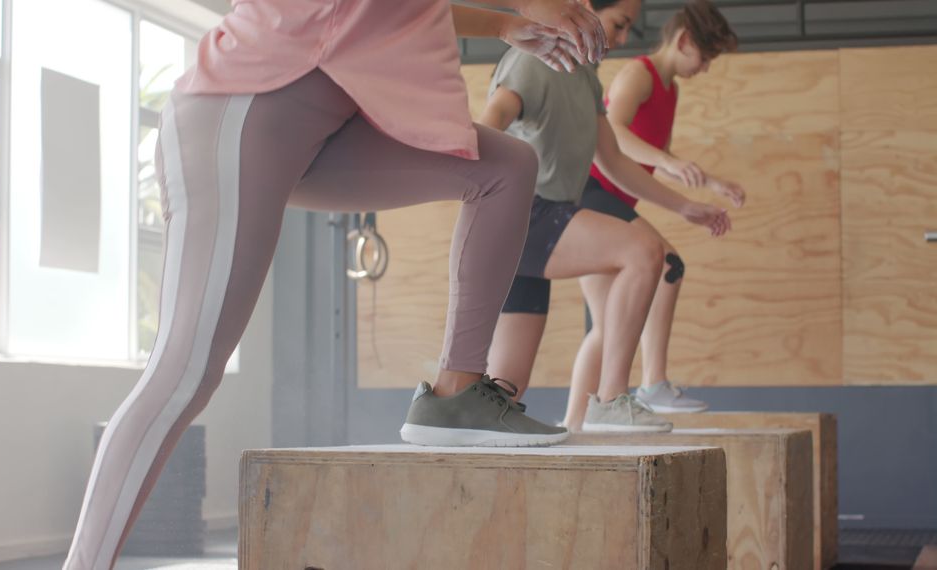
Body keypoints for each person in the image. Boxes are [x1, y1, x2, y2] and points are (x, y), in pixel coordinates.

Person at [64, 1, 609, 568]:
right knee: (185, 372)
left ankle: (456, 395)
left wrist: (500, 24)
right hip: (238, 112)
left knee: (505, 166)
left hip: (324, 130)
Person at [481, 0, 731, 434]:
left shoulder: (584, 77)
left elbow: (613, 160)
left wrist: (686, 206)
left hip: (547, 217)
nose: (617, 40)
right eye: (617, 25)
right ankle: (611, 399)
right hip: (527, 213)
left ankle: (480, 441)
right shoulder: (532, 58)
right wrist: (475, 192)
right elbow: (493, 120)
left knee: (504, 395)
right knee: (645, 253)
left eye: (625, 30)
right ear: (580, 7)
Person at [579, 0, 741, 423]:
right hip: (595, 194)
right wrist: (668, 165)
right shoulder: (639, 73)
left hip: (617, 201)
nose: (705, 68)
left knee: (605, 328)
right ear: (684, 41)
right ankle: (651, 385)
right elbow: (613, 130)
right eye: (705, 57)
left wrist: (710, 182)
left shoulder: (670, 89)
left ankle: (575, 422)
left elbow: (657, 152)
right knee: (668, 265)